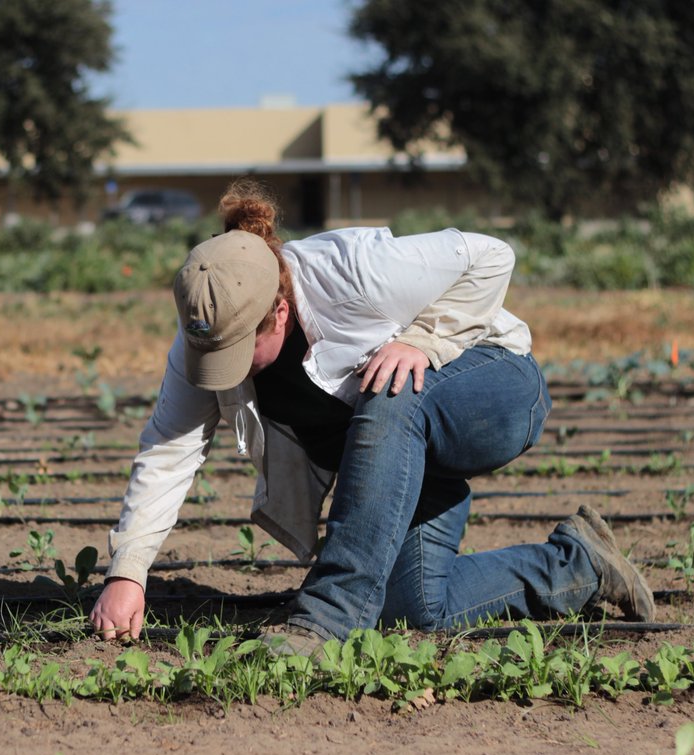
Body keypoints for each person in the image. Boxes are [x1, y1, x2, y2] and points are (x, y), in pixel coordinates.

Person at [89, 180, 654, 652]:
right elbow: (169, 448)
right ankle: (578, 564)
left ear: (279, 312)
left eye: (239, 353)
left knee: (391, 387)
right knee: (415, 607)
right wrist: (127, 572)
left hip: (496, 389)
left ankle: (329, 616)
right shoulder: (207, 332)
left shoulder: (355, 271)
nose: (227, 371)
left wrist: (424, 340)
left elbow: (491, 255)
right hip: (406, 449)